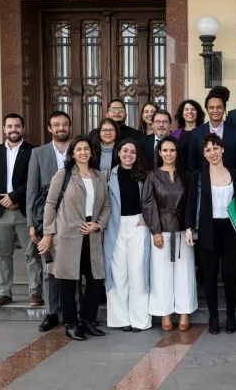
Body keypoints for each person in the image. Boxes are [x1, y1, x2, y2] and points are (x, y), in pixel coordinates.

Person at [37, 135, 110, 341]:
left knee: (95, 280)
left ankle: (87, 320)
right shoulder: (64, 175)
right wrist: (48, 234)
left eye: (86, 149)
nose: (83, 152)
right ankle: (71, 324)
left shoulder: (99, 176)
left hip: (91, 233)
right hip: (68, 234)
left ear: (92, 152)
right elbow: (50, 205)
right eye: (78, 149)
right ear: (73, 153)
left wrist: (98, 224)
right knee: (68, 281)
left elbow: (106, 206)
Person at [0, 113, 41, 309]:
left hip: (25, 211)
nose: (13, 129)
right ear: (4, 129)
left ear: (22, 129)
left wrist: (14, 197)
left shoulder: (34, 151)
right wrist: (3, 199)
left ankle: (35, 292)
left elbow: (34, 180)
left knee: (32, 253)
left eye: (17, 126)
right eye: (9, 126)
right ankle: (4, 292)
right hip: (0, 212)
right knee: (2, 254)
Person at [185, 133, 236, 335]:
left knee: (229, 274)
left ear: (222, 149)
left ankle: (231, 315)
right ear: (204, 154)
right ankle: (214, 316)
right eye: (208, 150)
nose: (213, 152)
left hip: (231, 230)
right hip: (207, 229)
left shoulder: (234, 173)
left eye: (215, 148)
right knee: (209, 275)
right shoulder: (199, 176)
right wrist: (188, 228)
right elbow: (191, 203)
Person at [143, 137, 197, 332]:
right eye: (164, 150)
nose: (168, 154)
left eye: (172, 150)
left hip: (183, 230)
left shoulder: (186, 176)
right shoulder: (152, 176)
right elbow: (148, 204)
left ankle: (184, 312)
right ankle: (165, 313)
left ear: (177, 153)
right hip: (161, 230)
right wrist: (155, 231)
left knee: (184, 273)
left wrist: (190, 227)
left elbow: (191, 204)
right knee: (161, 274)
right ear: (159, 153)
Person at [26, 111, 72, 332]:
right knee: (50, 268)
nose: (61, 128)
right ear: (49, 128)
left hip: (74, 219)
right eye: (56, 125)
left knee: (73, 268)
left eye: (64, 124)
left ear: (69, 127)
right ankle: (52, 313)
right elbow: (32, 190)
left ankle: (75, 312)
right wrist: (31, 223)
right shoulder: (38, 153)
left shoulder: (79, 149)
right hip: (47, 219)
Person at [104, 139, 151, 332]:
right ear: (119, 153)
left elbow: (152, 200)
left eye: (133, 152)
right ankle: (121, 319)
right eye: (125, 151)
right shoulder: (107, 175)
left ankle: (139, 319)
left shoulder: (144, 175)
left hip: (139, 225)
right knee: (118, 273)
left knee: (138, 272)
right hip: (116, 226)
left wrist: (147, 219)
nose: (129, 154)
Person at [188, 93, 236, 173]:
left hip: (231, 182)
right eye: (211, 107)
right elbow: (192, 164)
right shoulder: (196, 133)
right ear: (207, 109)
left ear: (224, 109)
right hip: (205, 182)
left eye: (219, 107)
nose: (215, 111)